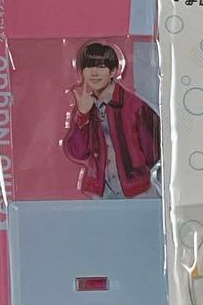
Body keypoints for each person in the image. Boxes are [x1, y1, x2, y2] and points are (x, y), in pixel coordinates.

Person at [61, 43, 161, 199]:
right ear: (82, 72)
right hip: (102, 193)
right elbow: (78, 152)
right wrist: (82, 114)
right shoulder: (85, 106)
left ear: (113, 71)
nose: (94, 72)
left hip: (138, 192)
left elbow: (154, 151)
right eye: (89, 67)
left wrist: (135, 170)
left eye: (101, 67)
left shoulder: (134, 106)